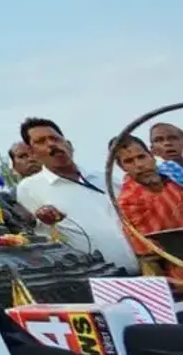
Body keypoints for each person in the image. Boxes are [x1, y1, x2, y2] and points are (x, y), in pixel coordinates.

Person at [14, 117, 137, 271]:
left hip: (146, 270)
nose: (51, 144)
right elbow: (35, 234)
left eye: (55, 138)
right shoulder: (28, 188)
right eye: (41, 141)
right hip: (96, 278)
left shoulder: (105, 178)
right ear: (32, 152)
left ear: (68, 144)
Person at [112, 135, 183, 280]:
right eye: (129, 161)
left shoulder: (175, 178)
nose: (139, 165)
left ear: (152, 156)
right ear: (122, 167)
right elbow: (148, 257)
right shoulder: (128, 201)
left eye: (141, 157)